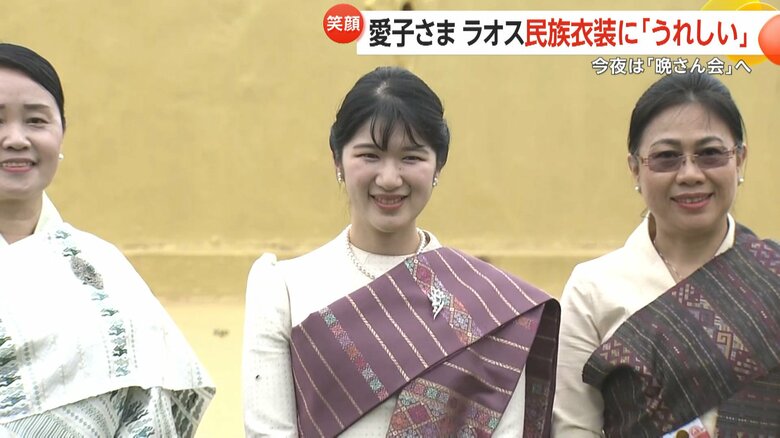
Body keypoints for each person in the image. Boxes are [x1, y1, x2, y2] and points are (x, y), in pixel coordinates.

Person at [242, 66, 560, 437]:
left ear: (439, 164)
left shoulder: (491, 304)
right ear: (337, 160)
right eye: (369, 155)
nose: (390, 179)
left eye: (411, 158)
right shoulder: (282, 288)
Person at [0, 42, 214, 437]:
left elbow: (150, 402)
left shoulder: (103, 266)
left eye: (35, 120)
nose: (16, 138)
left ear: (62, 133)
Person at [553, 72, 779, 437]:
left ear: (739, 160)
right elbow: (574, 428)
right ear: (635, 169)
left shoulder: (772, 277)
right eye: (666, 157)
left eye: (710, 153)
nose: (690, 174)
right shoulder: (592, 290)